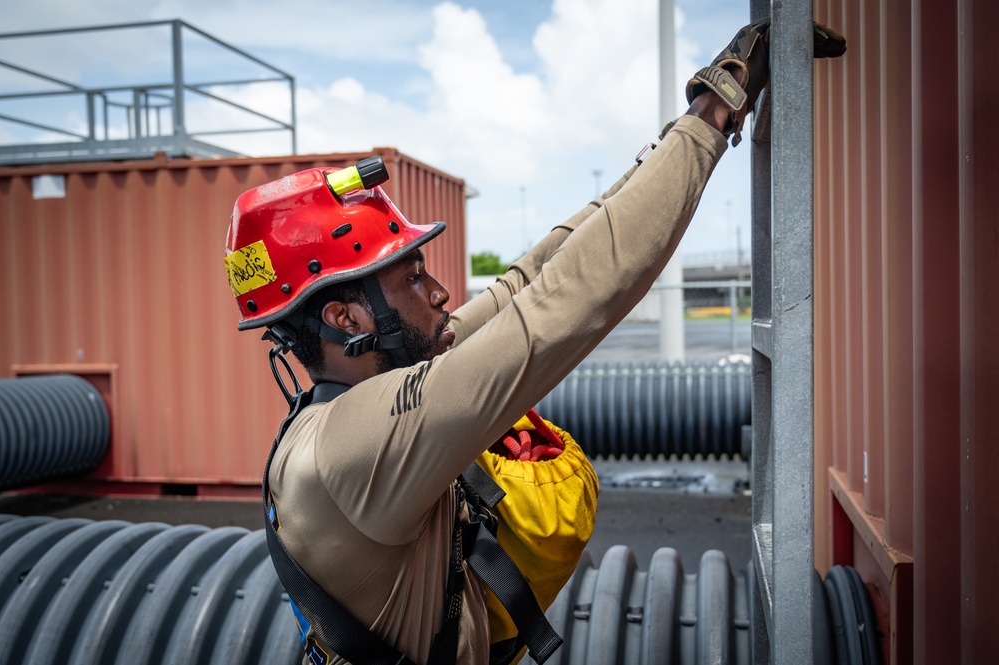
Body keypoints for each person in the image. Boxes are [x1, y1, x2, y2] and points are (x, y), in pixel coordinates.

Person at [224, 19, 845, 665]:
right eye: (412, 277)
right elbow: (565, 301)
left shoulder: (369, 391)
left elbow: (530, 279)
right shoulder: (355, 444)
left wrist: (680, 134)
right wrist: (716, 113)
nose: (440, 294)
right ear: (347, 318)